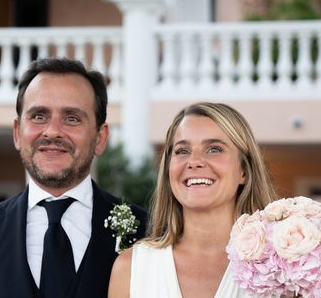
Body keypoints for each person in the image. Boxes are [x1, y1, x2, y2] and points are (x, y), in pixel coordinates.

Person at [0, 57, 148, 298]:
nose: (53, 131)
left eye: (72, 118)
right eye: (39, 116)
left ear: (101, 137)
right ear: (17, 133)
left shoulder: (148, 232)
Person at [108, 102, 275, 298]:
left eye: (214, 149)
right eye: (182, 151)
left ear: (244, 171)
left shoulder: (278, 265)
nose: (194, 161)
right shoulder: (131, 268)